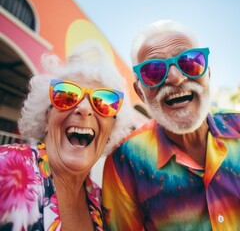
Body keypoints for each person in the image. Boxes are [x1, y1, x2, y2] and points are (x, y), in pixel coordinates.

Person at [102, 19, 240, 230]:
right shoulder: (126, 161)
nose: (175, 78)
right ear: (140, 92)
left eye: (189, 62)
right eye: (154, 71)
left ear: (208, 73)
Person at [0, 40, 135, 231]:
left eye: (103, 101)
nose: (85, 108)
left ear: (110, 130)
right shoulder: (6, 167)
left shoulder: (103, 205)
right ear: (47, 118)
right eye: (66, 95)